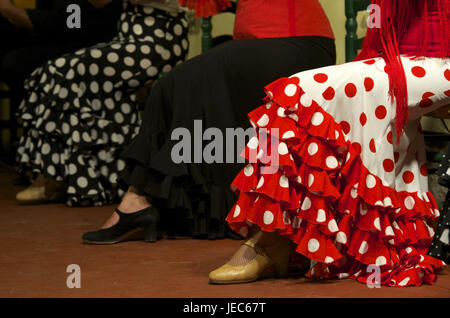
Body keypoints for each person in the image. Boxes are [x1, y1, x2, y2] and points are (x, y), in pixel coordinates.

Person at [208, 0, 449, 287]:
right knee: (297, 94)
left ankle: (272, 242)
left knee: (301, 92)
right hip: (392, 62)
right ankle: (274, 235)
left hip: (438, 63)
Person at [81, 0, 337, 243]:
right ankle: (150, 202)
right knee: (180, 85)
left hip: (297, 42)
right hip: (260, 44)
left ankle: (140, 201)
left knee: (182, 81)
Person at [15, 0, 190, 206]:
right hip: (130, 39)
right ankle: (74, 175)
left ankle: (65, 178)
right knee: (58, 70)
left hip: (159, 40)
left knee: (64, 69)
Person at [0, 0, 122, 126]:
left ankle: (46, 125)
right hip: (60, 34)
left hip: (88, 43)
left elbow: (73, 23)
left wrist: (15, 13)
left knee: (15, 64)